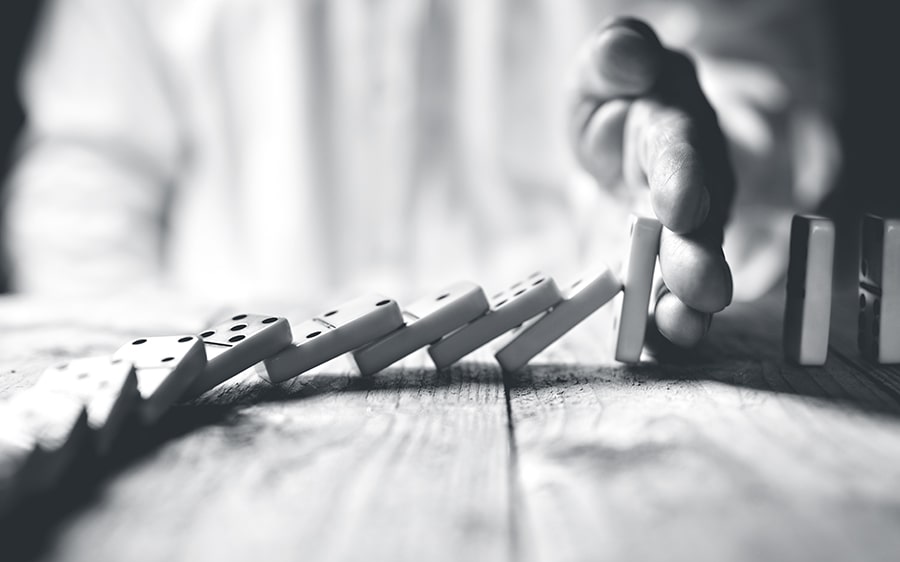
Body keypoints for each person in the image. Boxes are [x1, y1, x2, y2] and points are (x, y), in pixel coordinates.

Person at [2, 0, 840, 348]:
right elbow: (84, 180)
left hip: (586, 396)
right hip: (217, 415)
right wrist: (154, 379)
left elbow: (755, 82)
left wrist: (703, 176)